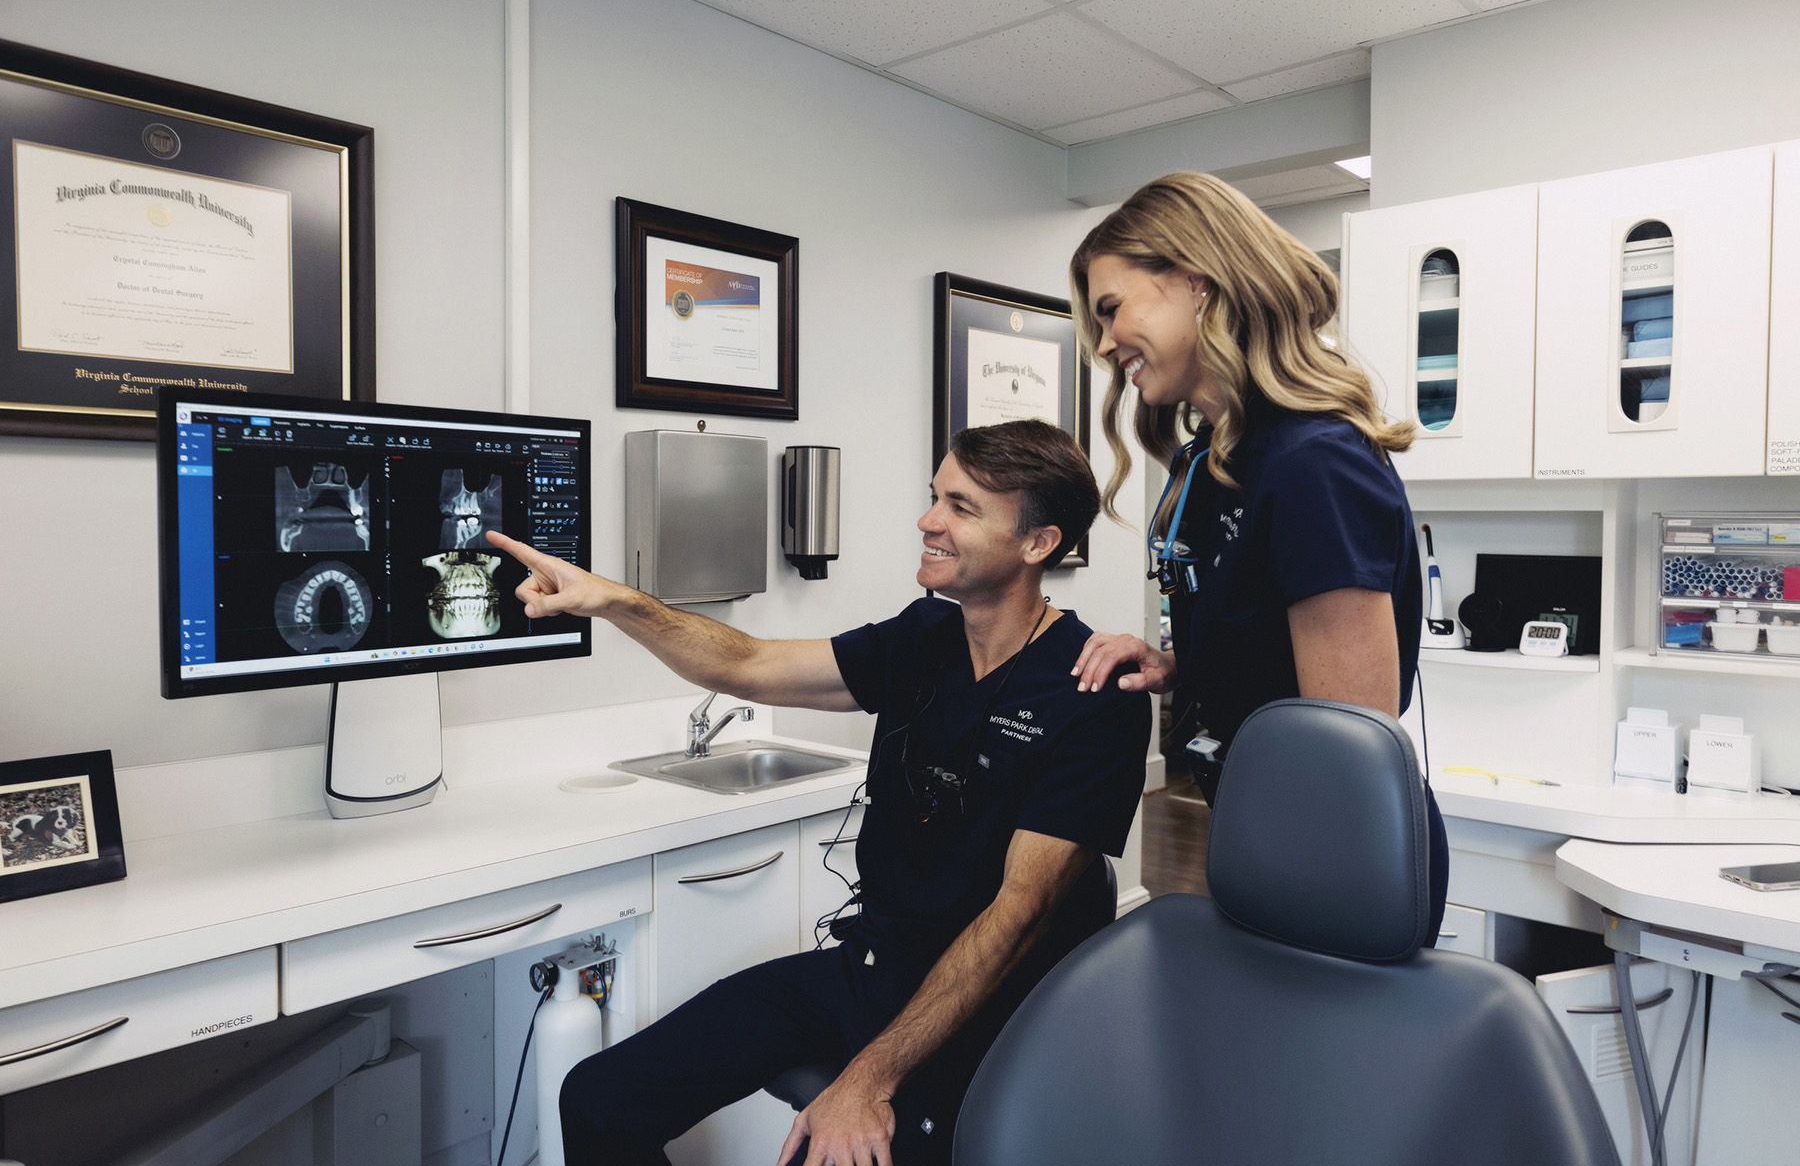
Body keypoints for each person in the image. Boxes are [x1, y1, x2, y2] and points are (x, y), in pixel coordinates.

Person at [486, 418, 1148, 1166]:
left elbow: (1019, 916)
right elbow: (747, 663)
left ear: (1039, 542)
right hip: (868, 971)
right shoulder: (922, 635)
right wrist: (612, 601)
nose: (928, 521)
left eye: (961, 507)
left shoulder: (1095, 691)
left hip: (985, 1012)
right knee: (600, 1098)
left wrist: (869, 1077)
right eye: (934, 497)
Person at [1064, 171, 1448, 938]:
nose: (1106, 346)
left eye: (1112, 310)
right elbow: (1268, 641)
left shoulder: (1315, 461)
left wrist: (1288, 875)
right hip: (1259, 819)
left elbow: (1347, 749)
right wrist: (1182, 664)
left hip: (1333, 849)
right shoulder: (1220, 456)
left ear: (1197, 281)